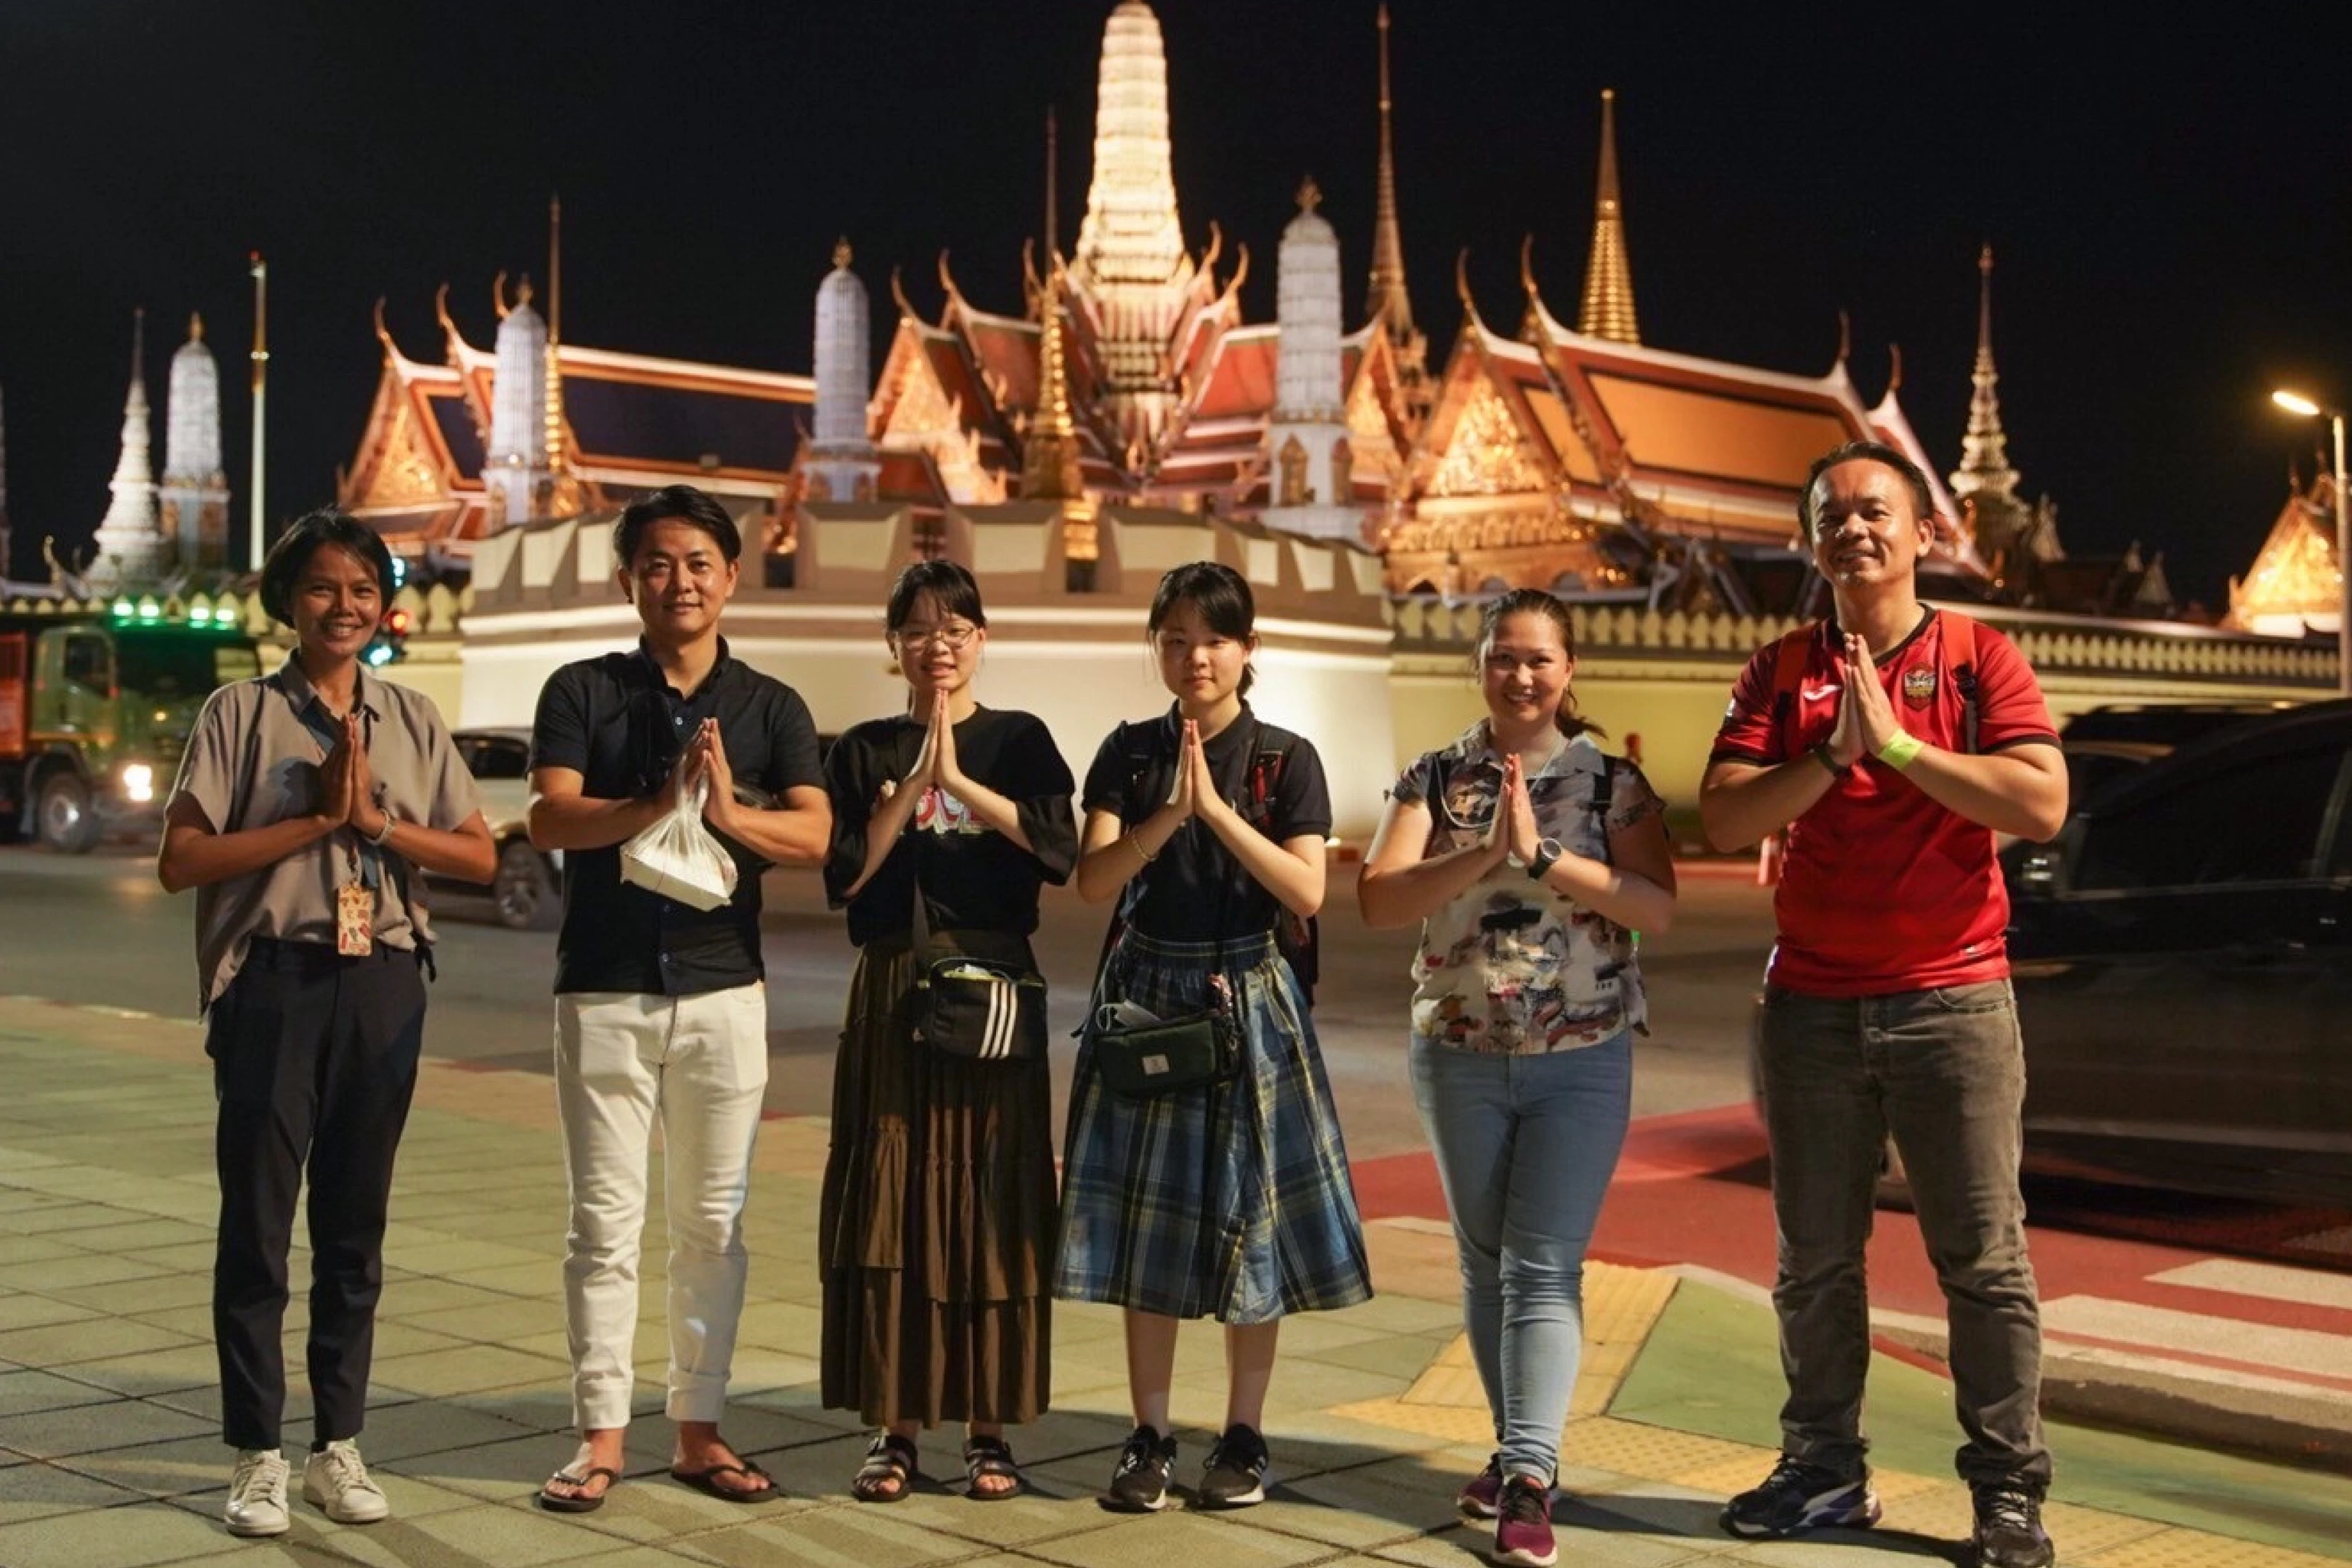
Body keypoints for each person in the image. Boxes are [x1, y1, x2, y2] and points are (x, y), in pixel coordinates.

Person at [1699, 441, 2067, 1568]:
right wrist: (1828, 754)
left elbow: (2041, 802)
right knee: (1814, 1259)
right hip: (1812, 1007)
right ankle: (1823, 1468)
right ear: (1811, 544)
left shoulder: (1976, 655)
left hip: (1953, 1001)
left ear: (1921, 535)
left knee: (1984, 1262)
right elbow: (1722, 820)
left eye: (1876, 513)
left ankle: (2008, 1491)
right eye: (1832, 517)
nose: (1855, 531)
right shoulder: (1778, 670)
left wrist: (1900, 745)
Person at [158, 509, 496, 1538]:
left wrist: (378, 823)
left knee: (355, 1226)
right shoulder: (241, 715)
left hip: (383, 976)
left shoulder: (413, 717)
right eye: (321, 588)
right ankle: (256, 1452)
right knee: (258, 1224)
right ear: (288, 602)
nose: (343, 607)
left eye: (362, 589)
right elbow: (182, 861)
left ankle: (336, 1446)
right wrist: (313, 820)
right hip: (275, 979)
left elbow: (479, 856)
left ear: (387, 605)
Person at [525, 484, 831, 1511]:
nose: (680, 581)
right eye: (658, 563)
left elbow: (817, 838)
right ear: (628, 580)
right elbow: (550, 821)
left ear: (732, 576)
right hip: (604, 990)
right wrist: (659, 802)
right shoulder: (584, 691)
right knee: (601, 1225)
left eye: (700, 562)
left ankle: (699, 1427)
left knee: (712, 1222)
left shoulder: (772, 708)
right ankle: (600, 1435)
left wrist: (731, 810)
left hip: (722, 992)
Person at [1358, 589, 1677, 1568]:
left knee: (1543, 1264)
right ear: (1479, 666)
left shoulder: (1610, 782)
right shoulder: (1436, 776)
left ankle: (1531, 1474)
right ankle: (1514, 1450)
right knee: (1486, 1262)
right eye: (1504, 657)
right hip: (1458, 1050)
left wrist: (1544, 859)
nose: (1522, 676)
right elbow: (1377, 900)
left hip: (1581, 1056)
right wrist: (1484, 850)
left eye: (1540, 659)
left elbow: (1654, 906)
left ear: (1569, 669)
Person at [1056, 559, 1372, 1513]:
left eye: (1214, 639)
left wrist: (1220, 811)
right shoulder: (1129, 751)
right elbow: (1095, 880)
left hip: (1253, 991)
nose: (1195, 657)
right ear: (1158, 646)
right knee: (1146, 1229)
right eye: (1177, 639)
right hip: (1150, 987)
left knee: (1254, 1224)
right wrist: (1171, 814)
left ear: (1247, 650)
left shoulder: (1285, 758)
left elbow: (1308, 890)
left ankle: (1243, 1434)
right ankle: (1148, 1433)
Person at [818, 559, 1077, 1503]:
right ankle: (896, 1429)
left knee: (989, 1203)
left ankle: (990, 1432)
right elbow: (845, 876)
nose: (939, 644)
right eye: (920, 629)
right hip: (893, 987)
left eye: (957, 627)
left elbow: (1058, 850)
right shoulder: (860, 750)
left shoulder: (1020, 742)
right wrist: (911, 784)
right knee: (893, 1205)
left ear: (982, 639)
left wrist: (959, 779)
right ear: (893, 647)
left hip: (992, 987)